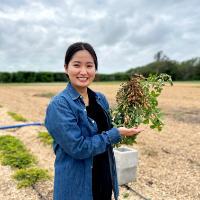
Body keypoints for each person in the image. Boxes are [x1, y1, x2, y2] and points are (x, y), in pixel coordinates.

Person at [45, 42, 144, 200]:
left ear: (95, 69)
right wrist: (114, 134)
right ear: (66, 68)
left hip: (104, 179)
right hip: (77, 187)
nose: (83, 71)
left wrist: (125, 122)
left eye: (89, 66)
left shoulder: (100, 99)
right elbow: (79, 148)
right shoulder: (59, 105)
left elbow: (107, 130)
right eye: (77, 65)